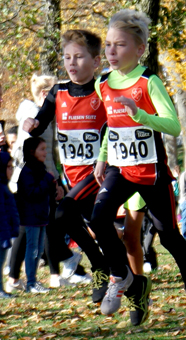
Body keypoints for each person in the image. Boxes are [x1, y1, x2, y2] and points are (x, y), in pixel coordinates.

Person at [90, 9, 186, 330]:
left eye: (120, 45)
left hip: (151, 171)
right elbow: (110, 128)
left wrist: (141, 115)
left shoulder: (148, 82)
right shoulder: (103, 84)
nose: (111, 52)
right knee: (99, 217)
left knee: (169, 237)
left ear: (139, 49)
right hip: (119, 169)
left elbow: (173, 126)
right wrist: (102, 158)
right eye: (109, 45)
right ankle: (121, 274)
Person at [22, 29, 110, 302]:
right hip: (71, 177)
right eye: (67, 57)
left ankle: (100, 267)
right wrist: (31, 124)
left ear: (96, 62)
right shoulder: (58, 92)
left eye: (79, 57)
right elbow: (41, 122)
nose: (71, 63)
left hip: (99, 175)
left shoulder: (104, 89)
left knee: (62, 215)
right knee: (96, 228)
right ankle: (121, 276)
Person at [6, 74, 81, 292]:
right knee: (44, 227)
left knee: (36, 228)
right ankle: (55, 271)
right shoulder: (34, 117)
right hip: (33, 181)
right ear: (44, 94)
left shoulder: (39, 117)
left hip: (34, 179)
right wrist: (51, 179)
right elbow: (32, 151)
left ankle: (18, 279)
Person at [17, 137, 56, 293]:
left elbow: (45, 191)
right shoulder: (28, 172)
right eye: (42, 149)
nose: (45, 153)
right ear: (32, 152)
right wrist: (48, 180)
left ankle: (34, 281)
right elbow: (32, 193)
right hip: (31, 217)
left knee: (39, 250)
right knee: (32, 249)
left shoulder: (40, 169)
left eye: (46, 149)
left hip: (41, 216)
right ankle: (31, 283)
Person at [0, 152, 19, 297]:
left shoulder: (4, 186)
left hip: (5, 234)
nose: (11, 170)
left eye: (12, 167)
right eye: (8, 167)